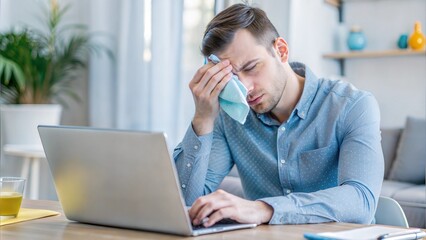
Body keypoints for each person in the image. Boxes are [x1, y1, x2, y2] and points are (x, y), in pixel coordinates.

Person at [173, 3, 384, 227]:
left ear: (281, 50)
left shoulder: (352, 106)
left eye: (251, 67)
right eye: (232, 78)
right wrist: (202, 119)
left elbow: (361, 200)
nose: (245, 88)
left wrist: (264, 209)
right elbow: (185, 205)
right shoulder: (229, 119)